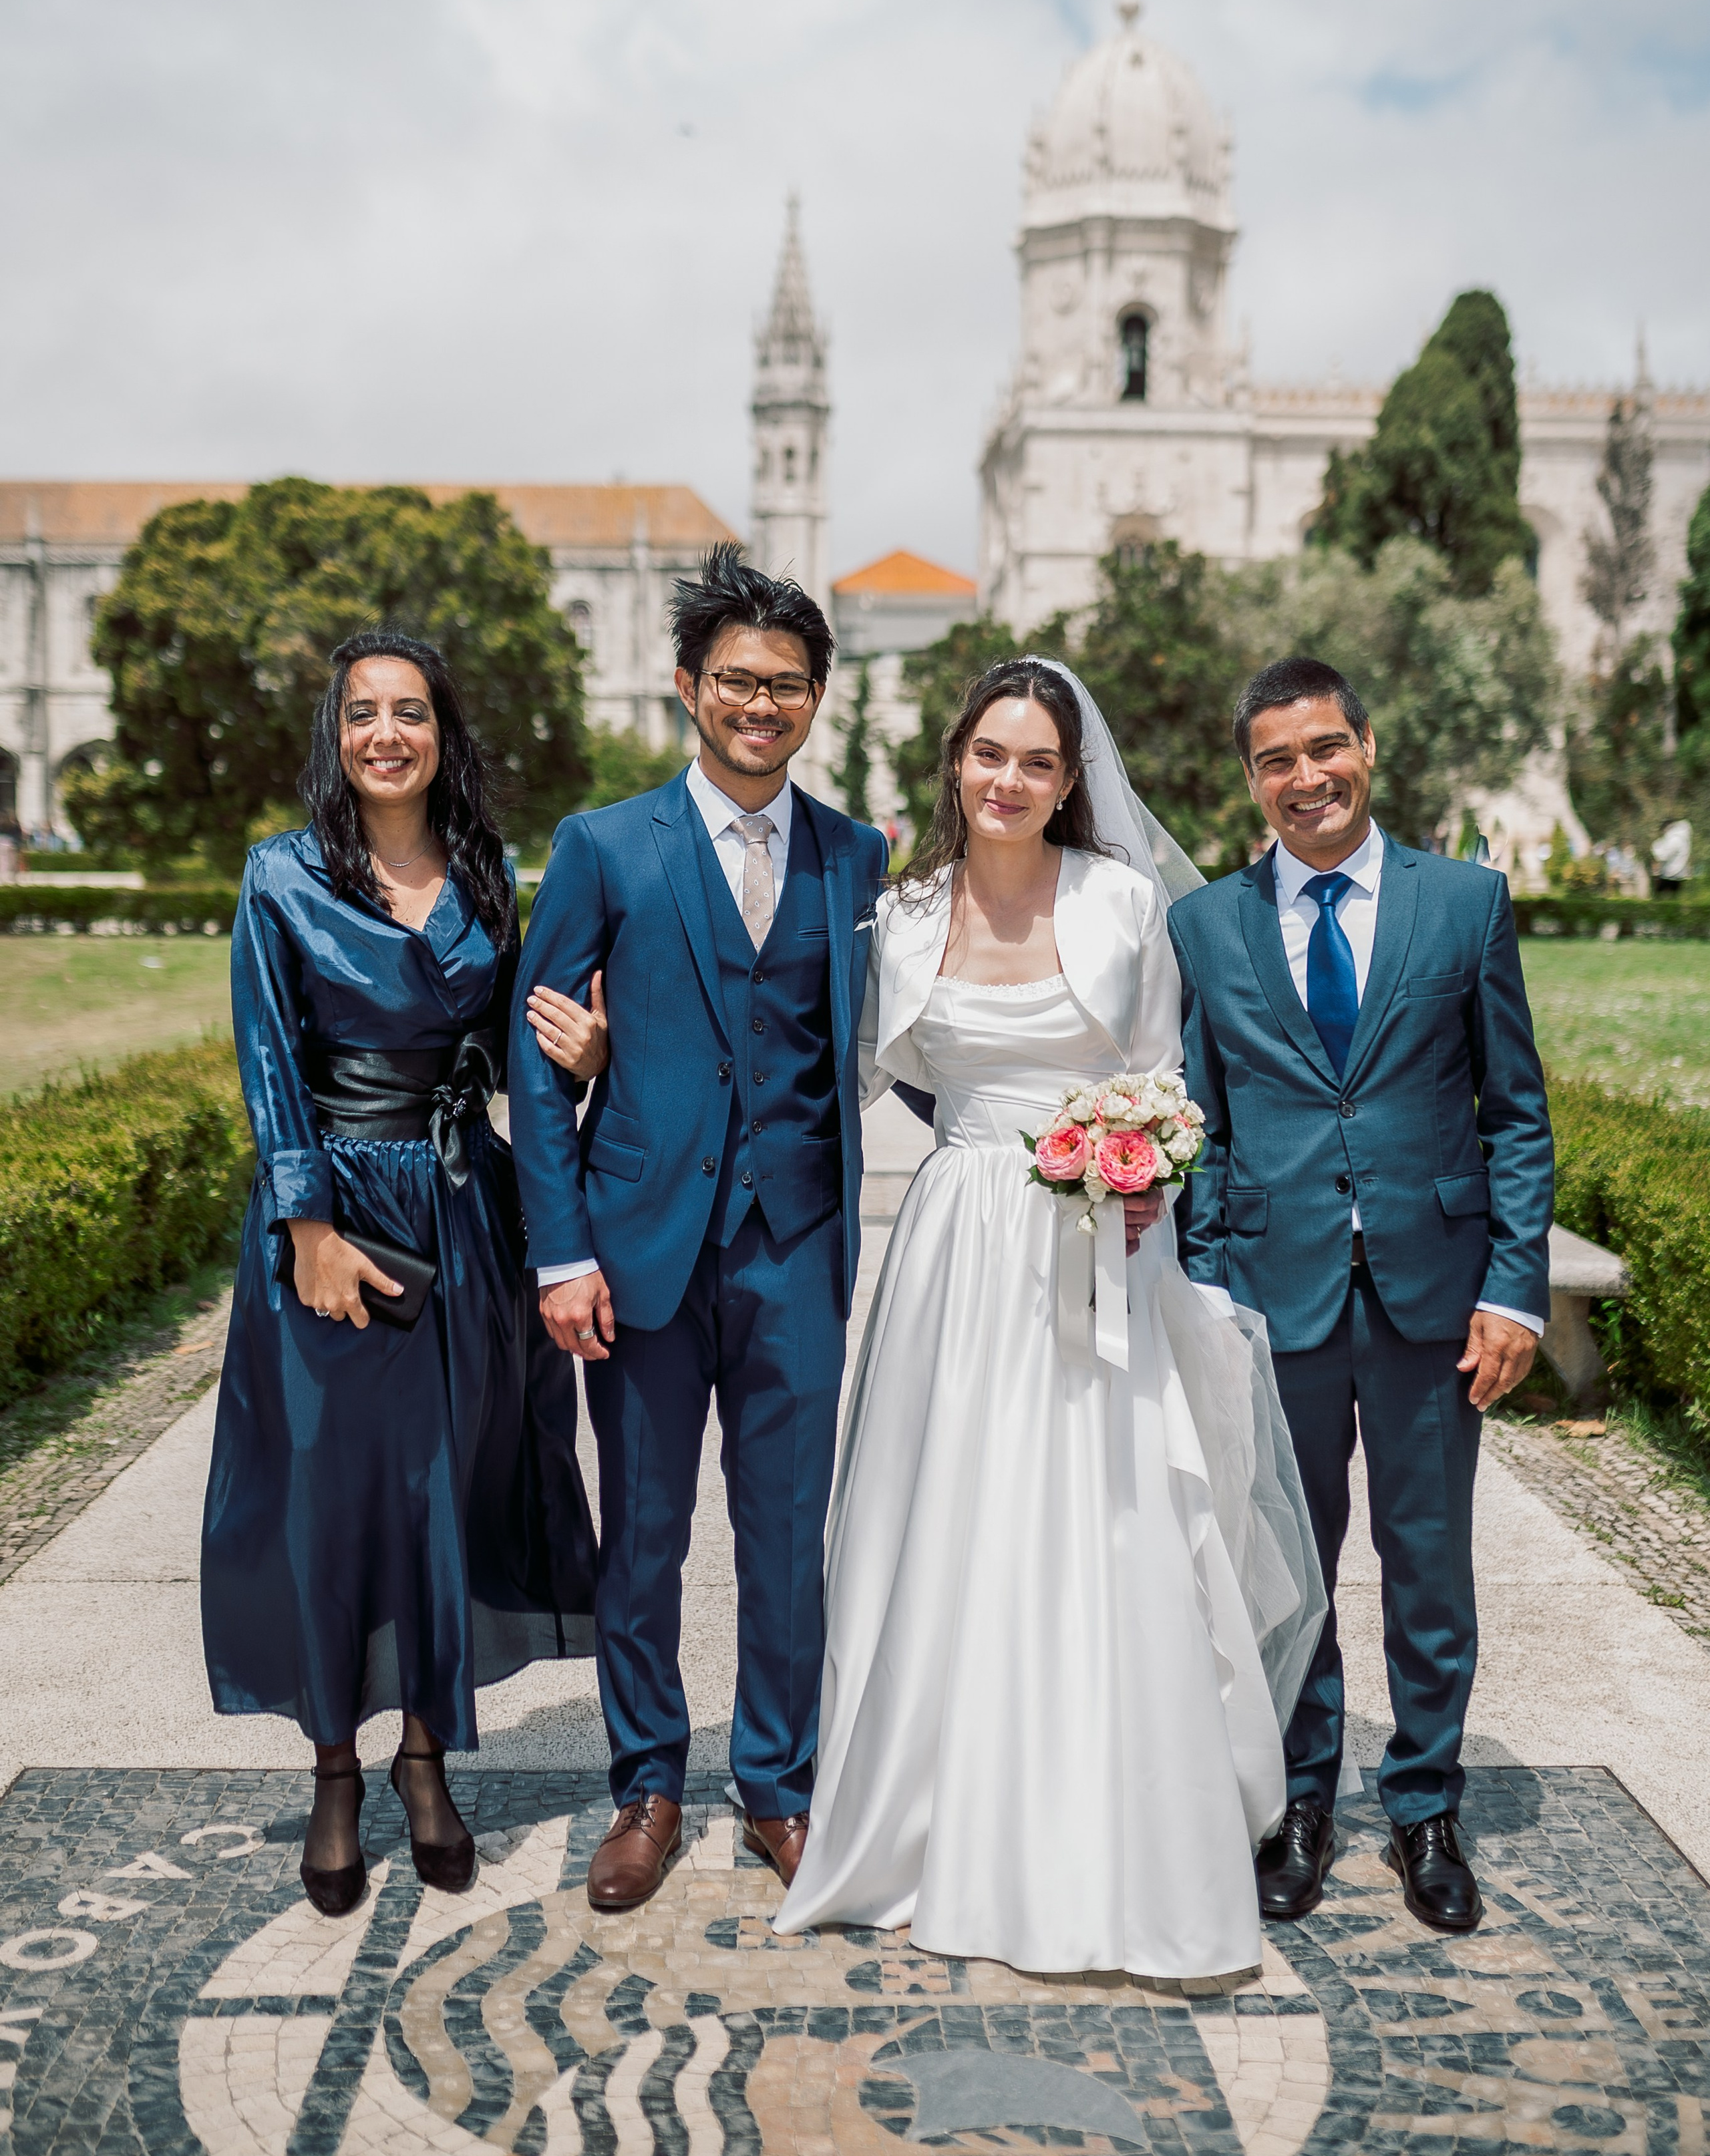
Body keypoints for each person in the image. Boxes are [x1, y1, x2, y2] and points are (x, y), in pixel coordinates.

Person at [773, 659, 1323, 1979]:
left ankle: (1115, 1826)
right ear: (955, 760)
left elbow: (1163, 1076)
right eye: (989, 753)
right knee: (950, 1516)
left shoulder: (1122, 901)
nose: (1007, 780)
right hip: (956, 1251)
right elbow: (818, 1068)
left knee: (1102, 1517)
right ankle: (930, 1816)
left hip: (1096, 1244)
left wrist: (1137, 1178)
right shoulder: (902, 916)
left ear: (1071, 780)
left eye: (1036, 761)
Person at [509, 544, 890, 1912]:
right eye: (736, 680)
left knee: (788, 1537)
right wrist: (562, 1252)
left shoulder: (858, 854)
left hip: (796, 1246)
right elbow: (537, 1063)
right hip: (638, 1247)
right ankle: (649, 1785)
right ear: (687, 686)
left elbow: (894, 1039)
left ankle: (778, 1785)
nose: (759, 705)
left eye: (784, 684)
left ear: (816, 698)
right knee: (646, 1532)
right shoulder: (604, 845)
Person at [201, 631, 596, 1918]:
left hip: (462, 1210)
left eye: (411, 712)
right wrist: (307, 1228)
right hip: (337, 1220)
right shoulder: (283, 873)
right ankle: (334, 1766)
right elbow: (269, 1058)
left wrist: (586, 1059)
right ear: (338, 733)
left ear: (442, 734)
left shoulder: (489, 871)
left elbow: (517, 1051)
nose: (387, 734)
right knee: (330, 1497)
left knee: (446, 1488)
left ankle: (426, 1757)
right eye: (363, 712)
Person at [1169, 657, 1554, 1937]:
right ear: (1251, 779)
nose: (1306, 778)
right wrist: (1209, 1292)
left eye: (1324, 748)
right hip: (1272, 1301)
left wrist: (1514, 1291)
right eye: (1276, 760)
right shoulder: (1205, 927)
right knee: (1290, 1569)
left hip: (1433, 1302)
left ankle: (1426, 1807)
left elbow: (1515, 1113)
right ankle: (1302, 1803)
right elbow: (1203, 1131)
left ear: (1368, 747)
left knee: (1427, 1566)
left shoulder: (1465, 904)